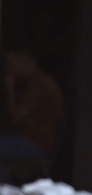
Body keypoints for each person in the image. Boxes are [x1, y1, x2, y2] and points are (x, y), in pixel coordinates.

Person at [0, 53, 64, 182]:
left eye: (13, 65)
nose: (10, 70)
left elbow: (16, 117)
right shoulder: (30, 83)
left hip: (36, 142)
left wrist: (9, 87)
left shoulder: (40, 84)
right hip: (26, 137)